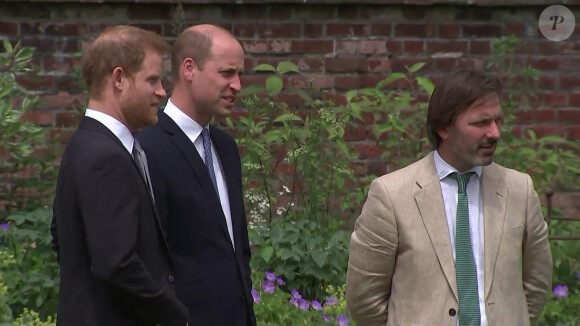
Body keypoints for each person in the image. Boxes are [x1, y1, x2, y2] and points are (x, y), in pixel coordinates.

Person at [346, 69, 552, 326]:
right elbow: (365, 298)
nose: (495, 133)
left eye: (498, 121)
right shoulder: (392, 195)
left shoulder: (519, 190)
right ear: (443, 127)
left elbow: (537, 282)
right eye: (481, 123)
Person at [51, 25, 189, 326]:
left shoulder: (84, 145)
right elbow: (116, 263)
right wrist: (176, 316)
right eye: (152, 80)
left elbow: (62, 239)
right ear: (119, 79)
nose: (162, 92)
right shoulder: (106, 157)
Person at [135, 24, 256, 326]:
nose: (237, 85)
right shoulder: (147, 148)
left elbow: (236, 249)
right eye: (227, 73)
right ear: (189, 69)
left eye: (240, 74)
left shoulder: (225, 148)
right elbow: (144, 258)